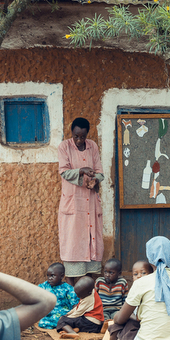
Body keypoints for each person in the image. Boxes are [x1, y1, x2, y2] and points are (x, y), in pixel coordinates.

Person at [58, 117, 104, 285]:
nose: (79, 140)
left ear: (87, 135)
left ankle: (89, 292)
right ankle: (71, 291)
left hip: (90, 201)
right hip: (73, 203)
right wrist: (82, 171)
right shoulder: (64, 147)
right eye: (76, 136)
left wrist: (96, 180)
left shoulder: (93, 147)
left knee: (92, 240)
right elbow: (63, 172)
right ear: (72, 133)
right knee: (73, 240)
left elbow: (99, 171)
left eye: (82, 137)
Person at [96, 260, 153, 340]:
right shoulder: (134, 289)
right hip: (132, 316)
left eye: (143, 273)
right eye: (136, 274)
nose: (139, 276)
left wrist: (129, 316)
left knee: (130, 324)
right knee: (114, 327)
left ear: (151, 275)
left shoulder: (151, 289)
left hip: (143, 321)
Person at [37, 262, 79, 329]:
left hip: (64, 313)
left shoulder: (68, 289)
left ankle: (65, 326)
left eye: (52, 275)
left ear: (62, 276)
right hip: (48, 312)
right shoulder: (44, 286)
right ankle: (65, 327)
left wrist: (73, 315)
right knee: (42, 321)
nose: (49, 278)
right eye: (48, 276)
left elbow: (74, 305)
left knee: (63, 319)